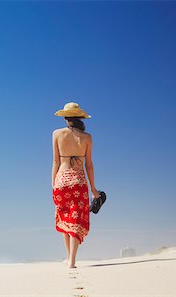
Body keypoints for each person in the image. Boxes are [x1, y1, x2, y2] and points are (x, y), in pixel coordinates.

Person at [51, 102, 99, 268]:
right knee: (76, 219)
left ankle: (68, 257)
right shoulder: (87, 137)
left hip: (62, 179)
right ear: (79, 117)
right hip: (78, 180)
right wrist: (93, 188)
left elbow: (56, 161)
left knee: (65, 218)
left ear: (65, 117)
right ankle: (72, 260)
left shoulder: (57, 134)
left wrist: (53, 183)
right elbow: (89, 165)